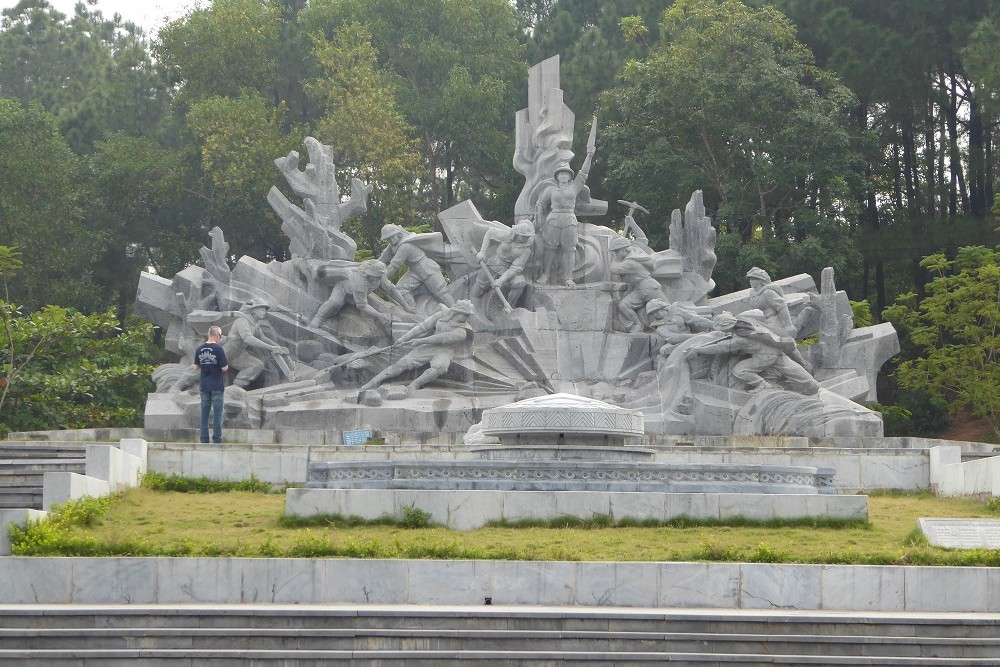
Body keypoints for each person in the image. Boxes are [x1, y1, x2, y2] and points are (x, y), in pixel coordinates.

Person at [684, 313, 819, 395]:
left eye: (722, 329)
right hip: (775, 350)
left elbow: (720, 347)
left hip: (764, 356)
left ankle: (762, 384)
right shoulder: (744, 325)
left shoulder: (740, 339)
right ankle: (813, 385)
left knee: (740, 370)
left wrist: (698, 350)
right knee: (792, 370)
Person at [359, 300, 475, 394]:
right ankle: (373, 382)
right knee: (401, 364)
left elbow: (441, 338)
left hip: (444, 350)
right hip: (428, 346)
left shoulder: (463, 332)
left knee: (440, 367)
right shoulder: (441, 315)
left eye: (468, 315)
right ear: (456, 312)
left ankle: (414, 385)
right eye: (465, 314)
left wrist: (419, 341)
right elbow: (421, 328)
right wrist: (403, 339)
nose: (467, 317)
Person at [534, 144, 595, 286]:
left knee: (569, 250)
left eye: (566, 173)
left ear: (569, 176)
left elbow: (584, 173)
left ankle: (568, 277)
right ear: (557, 176)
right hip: (553, 220)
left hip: (569, 220)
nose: (563, 175)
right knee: (550, 249)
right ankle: (545, 274)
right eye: (561, 173)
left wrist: (589, 156)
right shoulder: (550, 190)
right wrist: (538, 219)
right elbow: (541, 205)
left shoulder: (575, 187)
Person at [310, 259, 412, 329]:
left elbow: (391, 290)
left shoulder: (380, 276)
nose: (377, 279)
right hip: (344, 290)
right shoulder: (359, 281)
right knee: (335, 302)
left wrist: (406, 306)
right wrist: (379, 316)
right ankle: (318, 317)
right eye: (374, 276)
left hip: (364, 295)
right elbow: (362, 306)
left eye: (379, 276)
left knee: (382, 306)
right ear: (368, 274)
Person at [378, 224, 455, 310]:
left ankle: (457, 312)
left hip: (427, 269)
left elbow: (394, 266)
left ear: (398, 234)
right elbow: (382, 259)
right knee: (401, 290)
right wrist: (369, 267)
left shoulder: (405, 246)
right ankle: (414, 312)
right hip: (414, 271)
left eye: (392, 237)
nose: (391, 240)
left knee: (441, 293)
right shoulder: (393, 245)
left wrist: (380, 278)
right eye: (388, 239)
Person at [228, 300, 296, 388]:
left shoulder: (254, 323)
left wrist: (278, 347)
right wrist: (271, 347)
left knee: (259, 364)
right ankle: (234, 388)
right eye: (262, 310)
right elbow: (248, 339)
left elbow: (262, 338)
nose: (264, 312)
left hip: (240, 352)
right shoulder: (242, 321)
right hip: (230, 352)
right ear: (253, 310)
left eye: (265, 310)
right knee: (255, 365)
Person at [608, 235, 667, 332]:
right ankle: (638, 324)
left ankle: (677, 327)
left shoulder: (630, 262)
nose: (616, 254)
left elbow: (614, 269)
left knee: (667, 308)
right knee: (624, 305)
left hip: (649, 287)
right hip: (638, 289)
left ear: (624, 250)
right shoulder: (632, 254)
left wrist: (615, 259)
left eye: (616, 251)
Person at [471, 219, 535, 308]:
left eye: (527, 237)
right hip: (494, 263)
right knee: (479, 286)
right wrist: (482, 252)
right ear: (517, 234)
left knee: (519, 283)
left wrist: (501, 280)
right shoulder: (508, 234)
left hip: (508, 270)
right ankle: (472, 304)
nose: (525, 239)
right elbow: (490, 233)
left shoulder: (525, 250)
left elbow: (514, 269)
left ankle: (509, 307)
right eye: (523, 236)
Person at [192, 325, 228, 444]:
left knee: (204, 413)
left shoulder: (199, 349)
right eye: (220, 336)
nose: (220, 338)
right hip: (217, 385)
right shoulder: (218, 349)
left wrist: (205, 364)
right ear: (217, 335)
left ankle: (204, 439)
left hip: (204, 385)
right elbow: (224, 368)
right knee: (218, 413)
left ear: (209, 334)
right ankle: (217, 439)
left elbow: (195, 367)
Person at [746, 267, 794, 337]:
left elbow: (782, 307)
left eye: (753, 279)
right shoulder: (752, 292)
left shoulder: (768, 292)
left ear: (760, 280)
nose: (751, 281)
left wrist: (789, 325)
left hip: (771, 322)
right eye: (750, 279)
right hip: (759, 321)